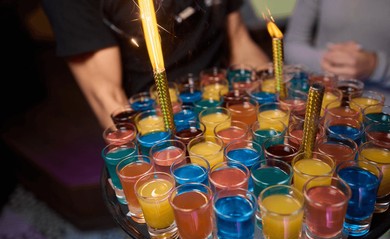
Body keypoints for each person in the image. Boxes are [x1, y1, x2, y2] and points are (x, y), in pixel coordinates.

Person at [42, 0, 270, 129]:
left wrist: (275, 102)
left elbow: (239, 40)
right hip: (156, 125)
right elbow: (107, 98)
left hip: (229, 106)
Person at [284, 0, 390, 102]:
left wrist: (375, 65)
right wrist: (331, 61)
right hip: (323, 97)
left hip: (382, 108)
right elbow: (292, 43)